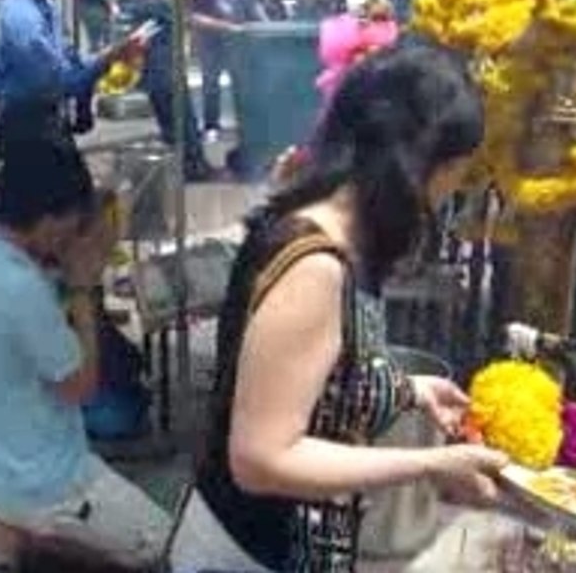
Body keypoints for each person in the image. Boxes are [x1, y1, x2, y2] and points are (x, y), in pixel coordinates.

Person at [169, 44, 508, 573]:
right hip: (248, 554)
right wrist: (432, 462)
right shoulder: (316, 266)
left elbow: (320, 374)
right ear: (418, 165)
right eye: (457, 171)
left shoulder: (338, 229)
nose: (454, 192)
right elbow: (261, 459)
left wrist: (411, 390)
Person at [0, 111, 172, 569]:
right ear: (47, 220)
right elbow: (80, 387)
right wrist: (83, 287)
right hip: (46, 487)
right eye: (69, 222)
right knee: (168, 546)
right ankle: (8, 538)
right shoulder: (21, 289)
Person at [0, 0, 133, 136]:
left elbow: (67, 63)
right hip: (27, 130)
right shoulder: (21, 17)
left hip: (48, 123)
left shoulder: (45, 6)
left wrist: (106, 57)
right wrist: (104, 62)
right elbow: (54, 82)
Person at [130, 0, 214, 182]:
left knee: (171, 126)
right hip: (166, 73)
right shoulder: (156, 3)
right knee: (183, 124)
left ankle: (183, 170)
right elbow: (189, 18)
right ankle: (194, 169)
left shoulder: (139, 3)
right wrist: (228, 27)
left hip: (155, 75)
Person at [190, 0, 261, 143]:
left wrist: (262, 26)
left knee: (243, 83)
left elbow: (252, 6)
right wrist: (227, 27)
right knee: (210, 85)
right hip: (212, 44)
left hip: (239, 43)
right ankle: (211, 126)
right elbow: (195, 17)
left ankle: (246, 125)